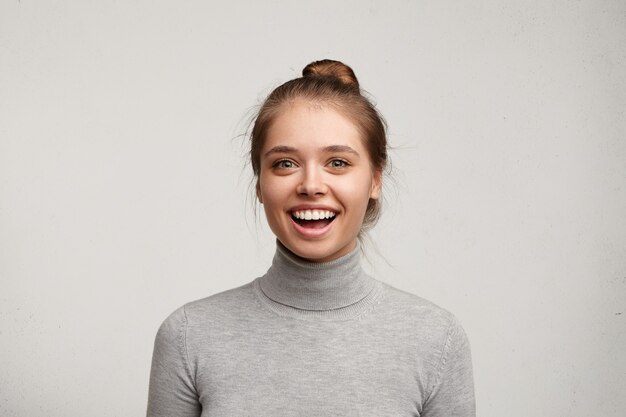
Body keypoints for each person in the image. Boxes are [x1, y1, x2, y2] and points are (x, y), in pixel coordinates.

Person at [146, 59, 475, 417]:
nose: (311, 186)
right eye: (285, 163)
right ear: (259, 183)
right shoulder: (188, 336)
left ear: (375, 180)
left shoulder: (436, 339)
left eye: (337, 163)